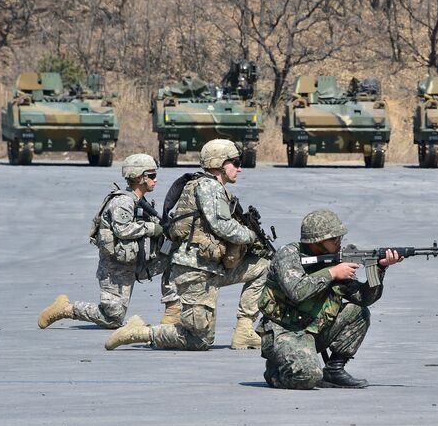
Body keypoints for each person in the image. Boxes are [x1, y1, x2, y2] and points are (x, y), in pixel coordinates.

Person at [104, 139, 268, 351]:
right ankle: (140, 332)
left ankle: (244, 331)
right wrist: (251, 236)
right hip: (195, 270)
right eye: (235, 162)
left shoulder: (214, 187)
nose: (239, 168)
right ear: (219, 163)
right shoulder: (208, 187)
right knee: (199, 340)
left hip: (213, 267)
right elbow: (222, 226)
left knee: (263, 267)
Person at [256, 209, 403, 389]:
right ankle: (276, 372)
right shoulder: (288, 256)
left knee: (358, 312)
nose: (339, 242)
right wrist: (332, 273)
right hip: (285, 331)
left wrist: (379, 269)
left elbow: (363, 298)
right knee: (308, 377)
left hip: (314, 329)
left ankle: (334, 369)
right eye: (334, 239)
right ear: (317, 241)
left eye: (340, 237)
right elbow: (297, 291)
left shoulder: (335, 260)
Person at [38, 154, 167, 330]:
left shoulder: (139, 202)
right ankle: (65, 309)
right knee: (112, 318)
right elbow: (123, 230)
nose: (155, 180)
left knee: (174, 259)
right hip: (115, 267)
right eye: (151, 175)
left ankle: (172, 314)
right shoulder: (122, 202)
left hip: (134, 261)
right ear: (139, 177)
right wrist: (152, 228)